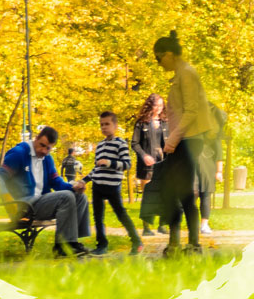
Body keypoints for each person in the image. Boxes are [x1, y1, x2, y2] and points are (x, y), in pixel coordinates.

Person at [155, 31, 218, 255]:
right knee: (172, 192)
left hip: (189, 141)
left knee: (183, 192)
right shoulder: (180, 74)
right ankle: (175, 243)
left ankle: (192, 244)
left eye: (158, 57)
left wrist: (172, 140)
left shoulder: (187, 74)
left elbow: (191, 111)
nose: (158, 63)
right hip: (182, 140)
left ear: (170, 54)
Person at [0, 126, 93, 257]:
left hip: (39, 203)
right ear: (36, 138)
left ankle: (72, 242)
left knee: (79, 196)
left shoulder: (47, 159)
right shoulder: (19, 154)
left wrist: (73, 186)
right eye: (42, 145)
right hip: (23, 206)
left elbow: (56, 182)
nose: (44, 150)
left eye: (48, 148)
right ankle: (62, 247)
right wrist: (6, 198)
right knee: (66, 197)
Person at [88, 111, 142, 256]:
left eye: (107, 124)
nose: (104, 127)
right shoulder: (99, 146)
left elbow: (127, 164)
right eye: (101, 125)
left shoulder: (121, 144)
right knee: (98, 216)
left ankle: (136, 241)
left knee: (121, 214)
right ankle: (101, 245)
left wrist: (109, 162)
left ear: (115, 125)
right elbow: (96, 168)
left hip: (112, 186)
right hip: (97, 185)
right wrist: (84, 180)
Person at [132, 94, 167, 236]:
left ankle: (162, 225)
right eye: (156, 105)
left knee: (165, 194)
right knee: (148, 195)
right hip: (146, 165)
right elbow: (134, 143)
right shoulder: (141, 123)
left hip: (164, 163)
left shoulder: (166, 122)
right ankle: (146, 227)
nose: (159, 108)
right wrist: (144, 155)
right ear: (150, 105)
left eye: (161, 105)